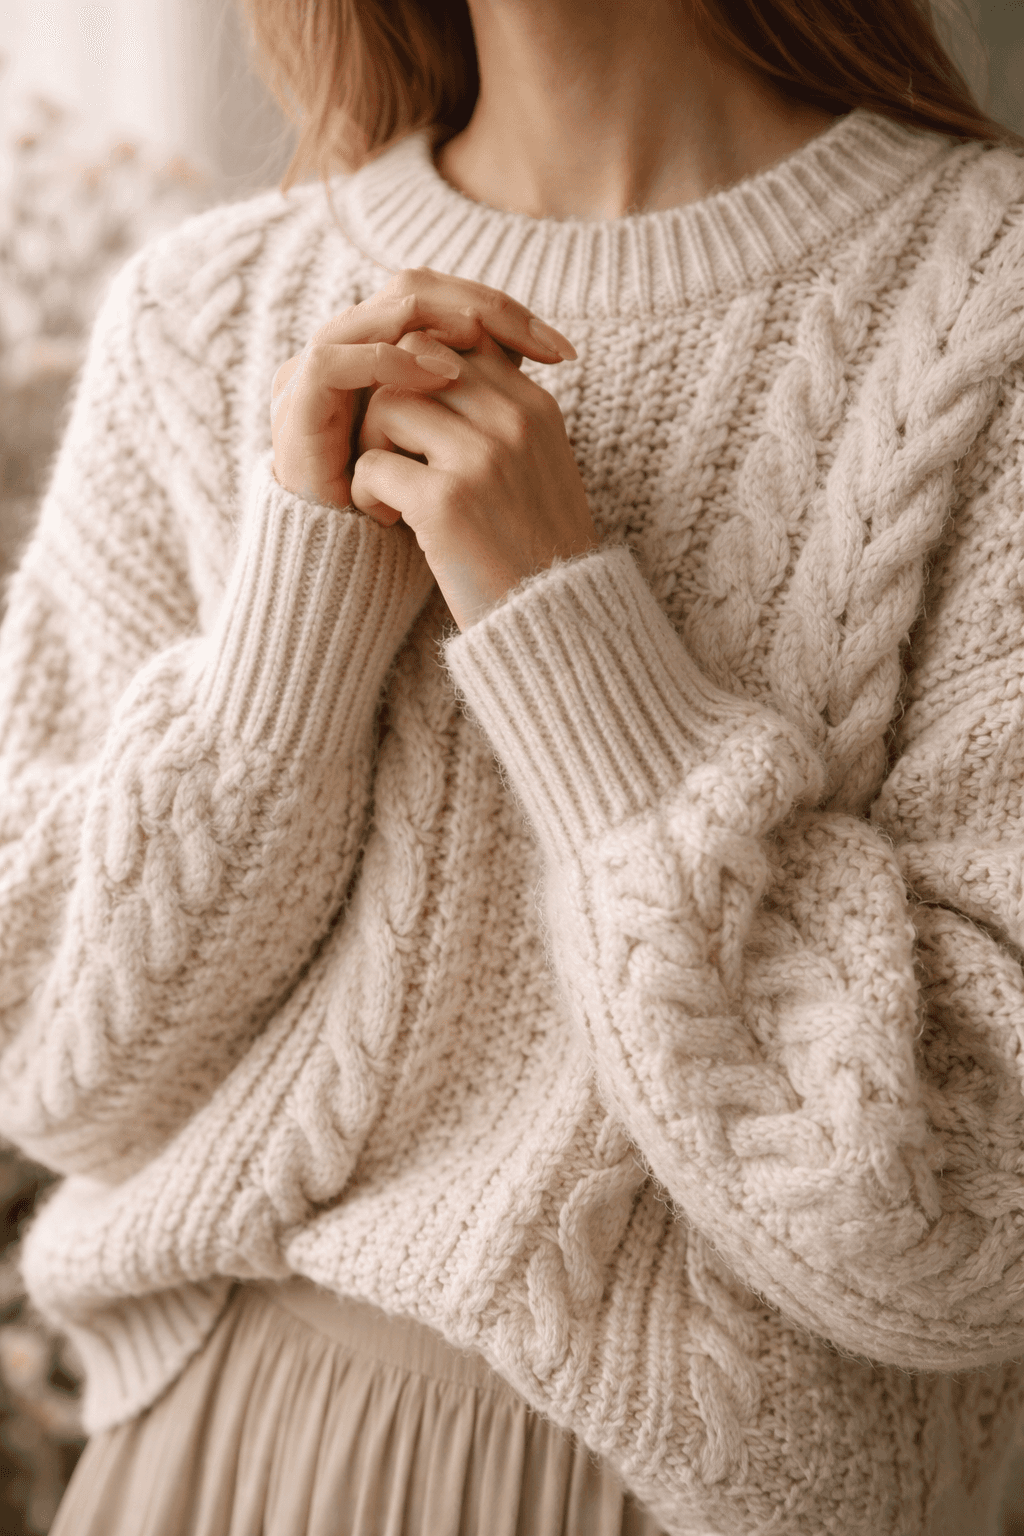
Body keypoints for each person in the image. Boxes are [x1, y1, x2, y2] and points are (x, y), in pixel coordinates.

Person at [1, 0, 1022, 1530]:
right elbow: (48, 1064)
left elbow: (971, 1222)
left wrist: (573, 641)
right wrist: (286, 643)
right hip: (214, 1458)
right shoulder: (202, 311)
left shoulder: (992, 312)